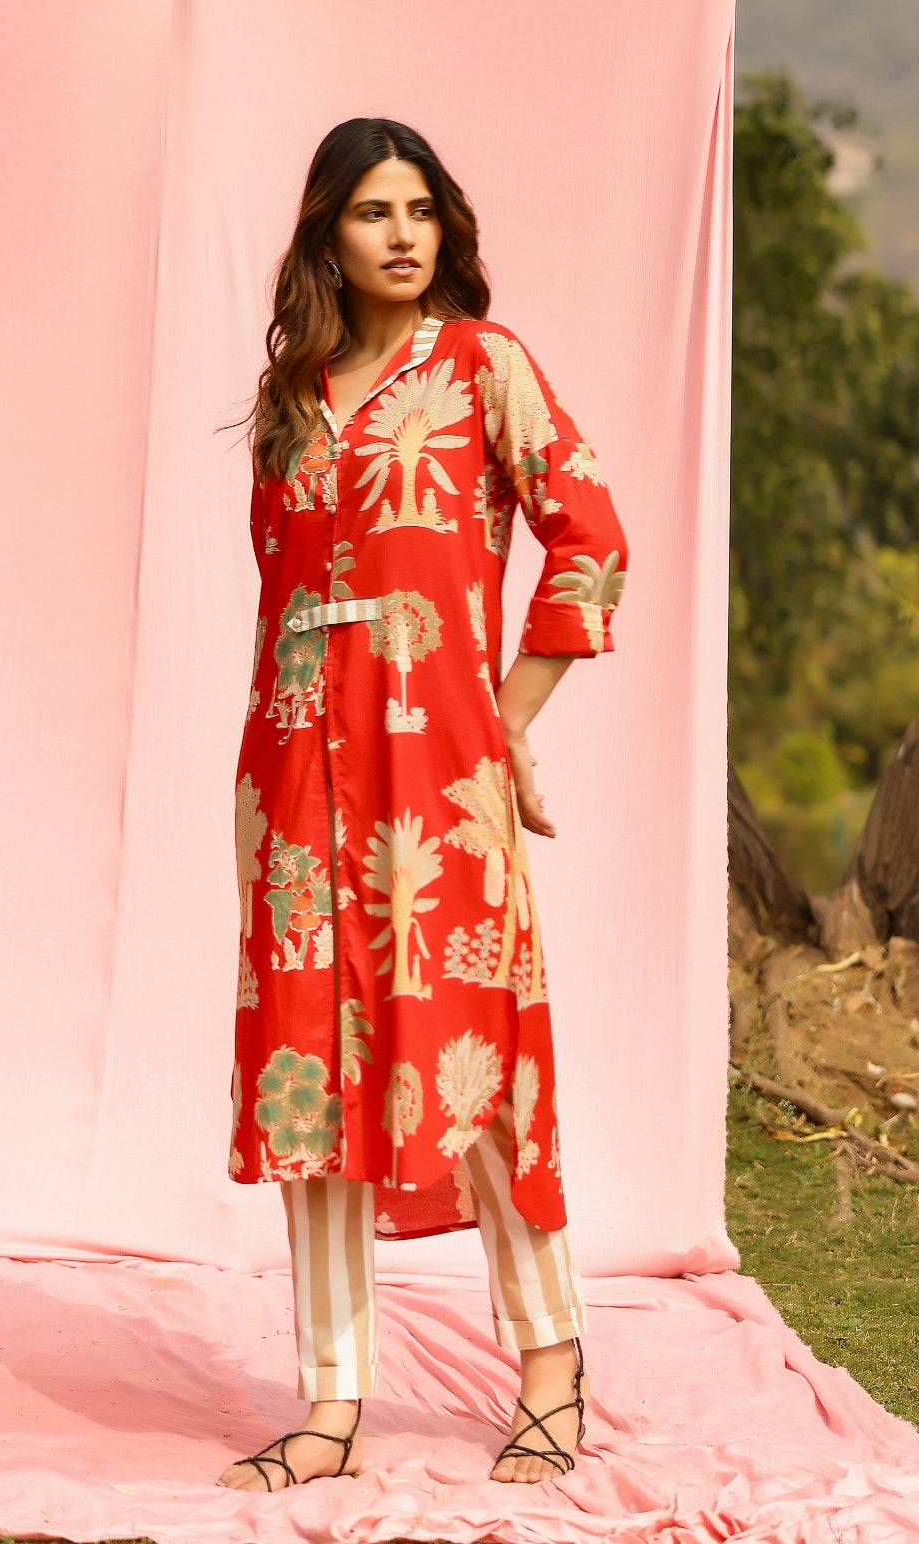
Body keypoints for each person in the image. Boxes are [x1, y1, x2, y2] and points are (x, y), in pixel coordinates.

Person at [217, 117, 628, 1492]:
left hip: (436, 774)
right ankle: (331, 1402)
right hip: (292, 775)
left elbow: (590, 539)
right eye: (370, 213)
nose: (401, 235)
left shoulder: (483, 366)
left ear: (444, 228)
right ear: (326, 237)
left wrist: (503, 728)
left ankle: (552, 1365)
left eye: (419, 211)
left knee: (479, 1060)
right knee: (312, 1078)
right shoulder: (290, 398)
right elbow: (280, 599)